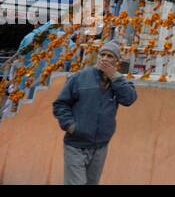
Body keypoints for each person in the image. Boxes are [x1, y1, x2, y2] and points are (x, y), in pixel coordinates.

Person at [52, 40, 137, 185]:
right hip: (75, 144)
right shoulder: (79, 78)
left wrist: (113, 76)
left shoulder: (119, 82)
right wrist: (71, 126)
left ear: (117, 61)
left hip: (100, 146)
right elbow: (60, 104)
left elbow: (129, 99)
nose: (104, 58)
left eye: (110, 56)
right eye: (102, 54)